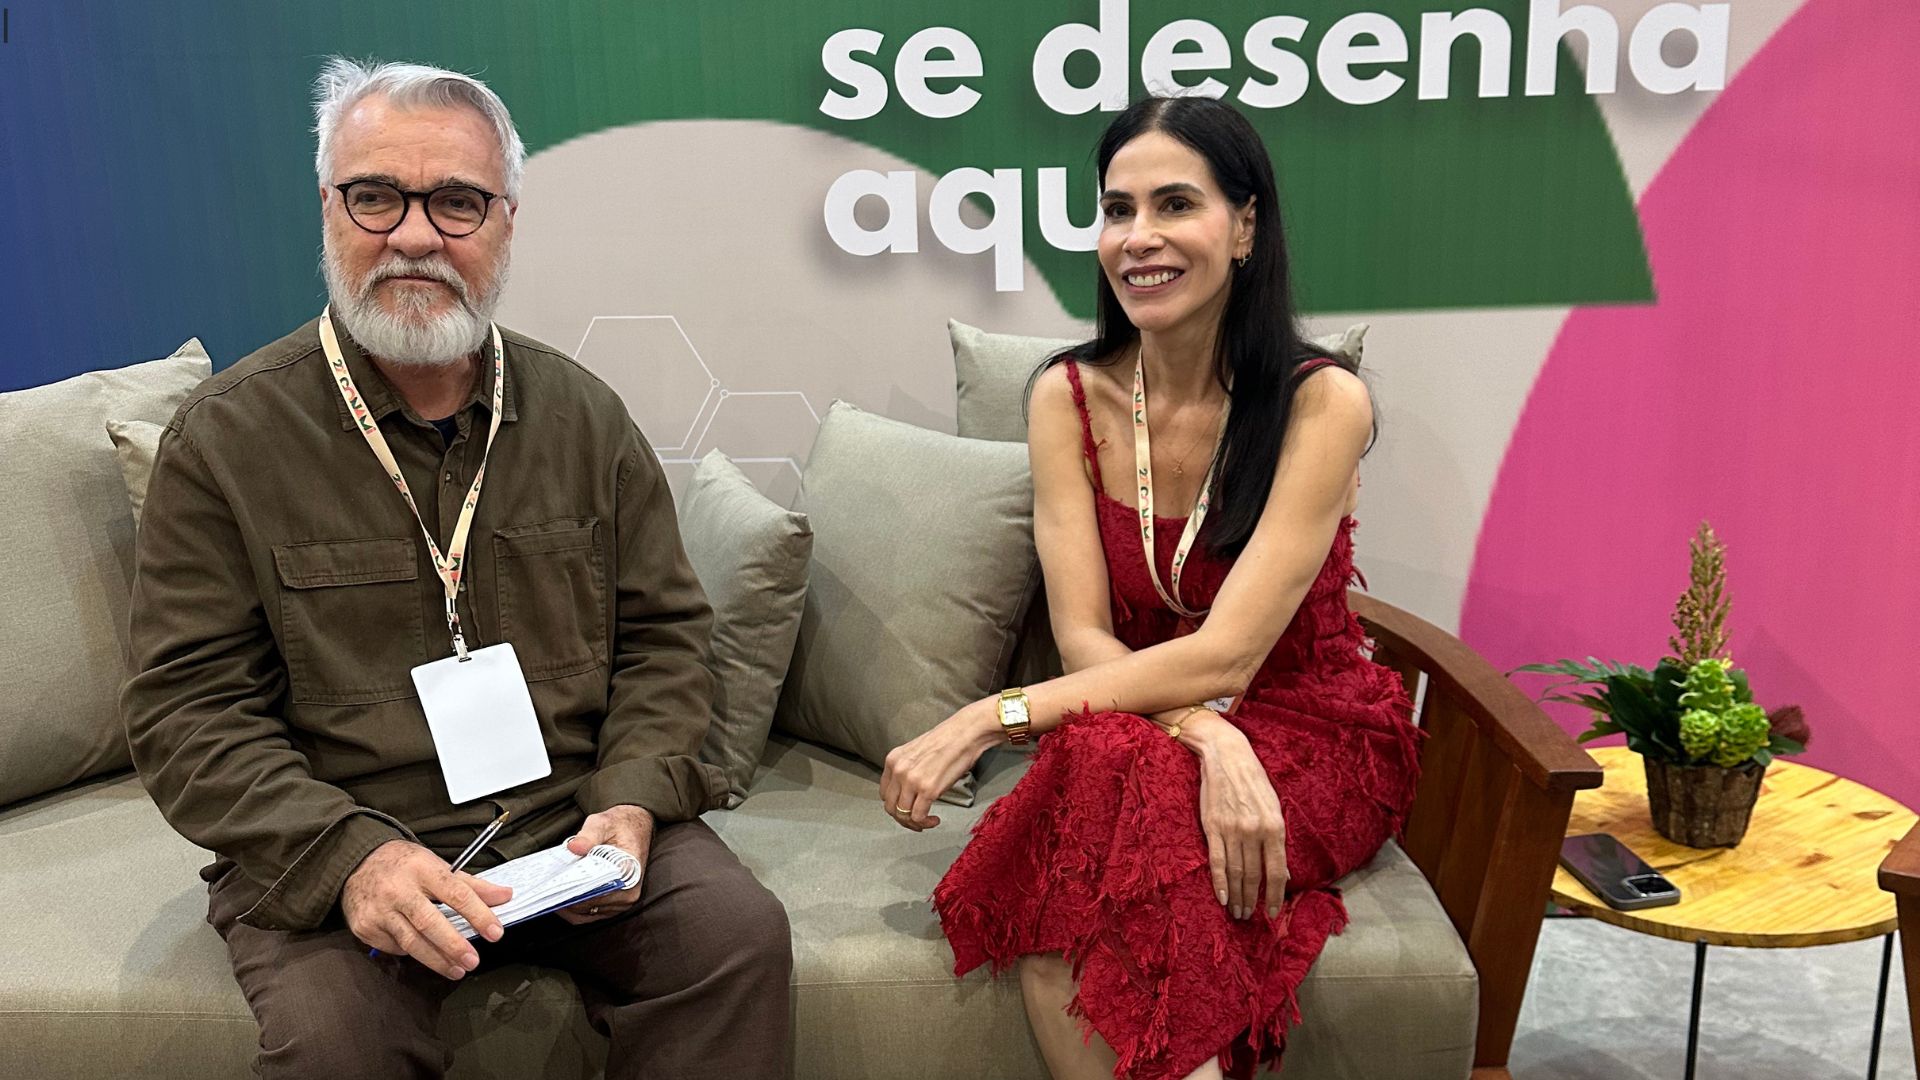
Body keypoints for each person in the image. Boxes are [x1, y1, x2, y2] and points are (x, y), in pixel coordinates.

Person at [121, 58, 790, 1079]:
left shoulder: (585, 419)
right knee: (337, 1043)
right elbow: (187, 711)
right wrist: (352, 859)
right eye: (377, 196)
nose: (416, 234)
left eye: (458, 203)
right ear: (328, 209)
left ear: (507, 221)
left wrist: (634, 798)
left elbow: (665, 641)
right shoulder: (227, 441)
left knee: (734, 939)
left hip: (567, 828)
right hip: (341, 844)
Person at [879, 95, 1424, 1080]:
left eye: (1176, 204)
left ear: (1246, 225)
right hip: (1157, 723)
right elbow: (1085, 632)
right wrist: (1205, 731)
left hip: (1309, 728)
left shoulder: (1320, 403)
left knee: (1091, 794)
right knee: (1107, 778)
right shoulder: (1063, 395)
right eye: (1117, 209)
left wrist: (992, 716)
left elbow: (1231, 657)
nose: (1140, 238)